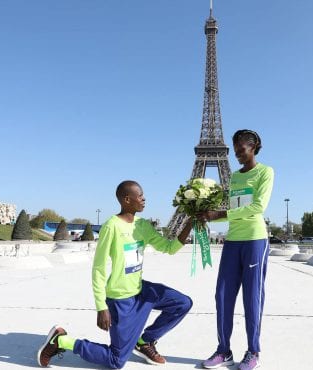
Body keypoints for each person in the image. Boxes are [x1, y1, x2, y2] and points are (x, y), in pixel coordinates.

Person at [37, 180, 194, 369]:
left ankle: (145, 342)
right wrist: (101, 306)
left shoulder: (142, 225)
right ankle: (61, 341)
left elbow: (169, 248)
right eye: (140, 195)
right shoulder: (111, 226)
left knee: (182, 303)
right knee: (116, 361)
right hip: (121, 300)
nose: (144, 199)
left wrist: (191, 222)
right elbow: (99, 268)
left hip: (142, 292)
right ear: (127, 200)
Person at [197, 129, 274, 370]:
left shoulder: (265, 172)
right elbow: (232, 210)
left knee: (252, 298)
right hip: (232, 240)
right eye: (236, 151)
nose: (239, 155)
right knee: (222, 296)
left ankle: (253, 351)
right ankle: (224, 350)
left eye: (242, 150)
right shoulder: (235, 178)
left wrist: (220, 213)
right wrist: (207, 217)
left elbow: (257, 207)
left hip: (254, 240)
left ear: (254, 147)